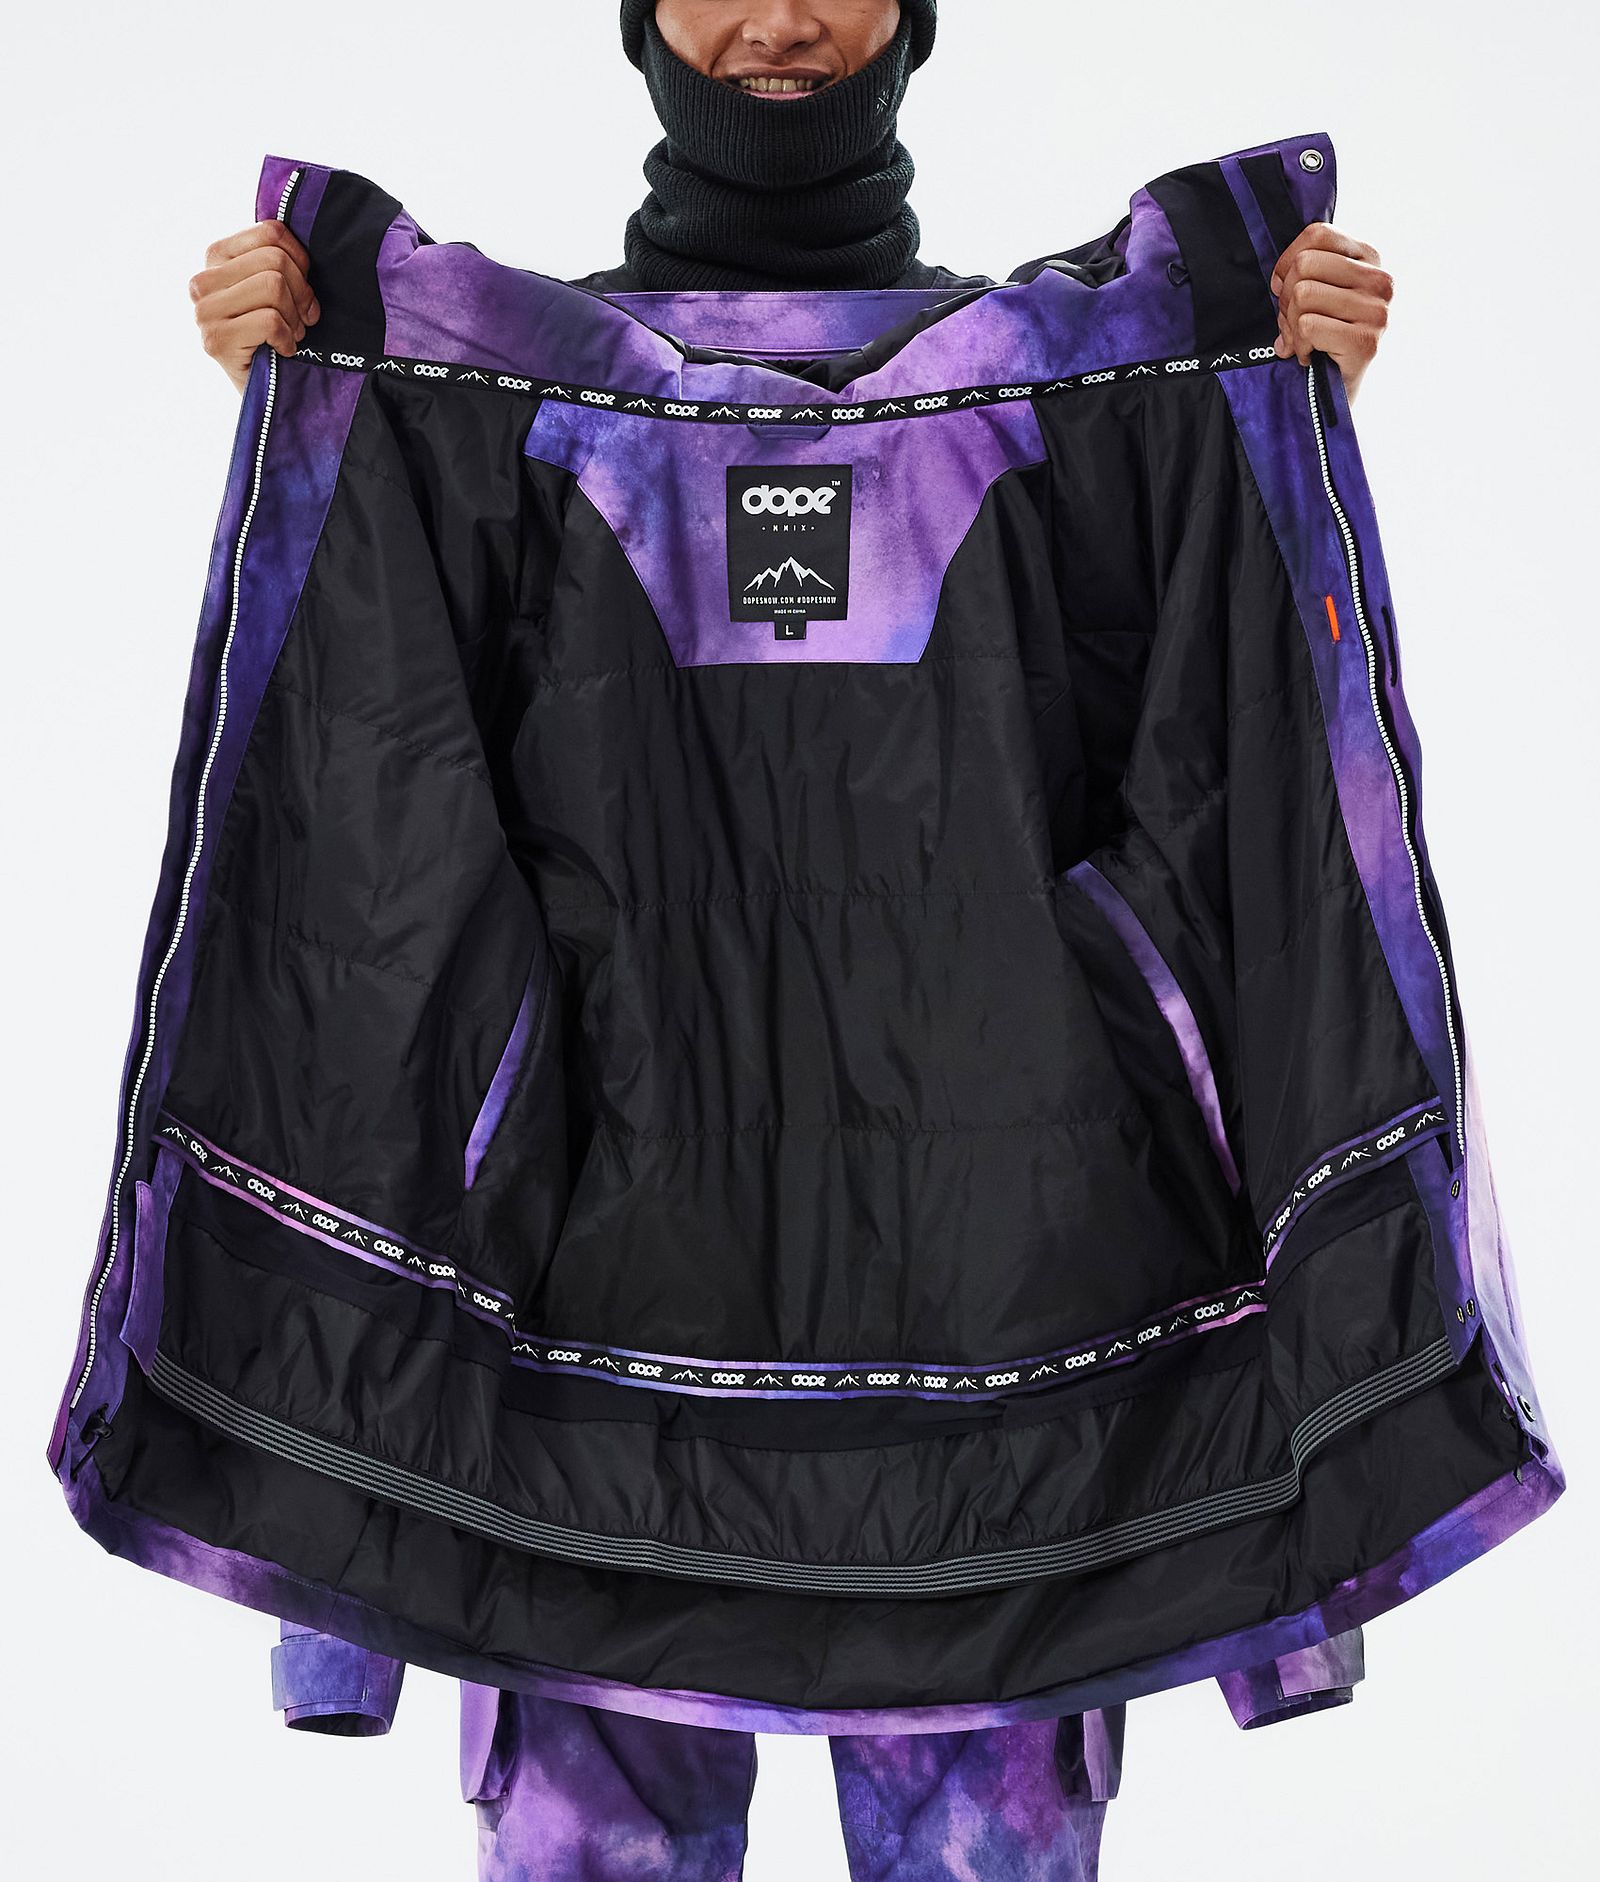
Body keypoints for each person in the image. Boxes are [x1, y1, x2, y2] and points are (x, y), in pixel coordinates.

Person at [199, 7, 1395, 1877]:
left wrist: (1267, 400)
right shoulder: (486, 409)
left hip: (995, 1371)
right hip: (596, 1366)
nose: (776, 17)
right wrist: (317, 393)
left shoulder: (1080, 403)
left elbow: (1206, 786)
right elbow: (379, 847)